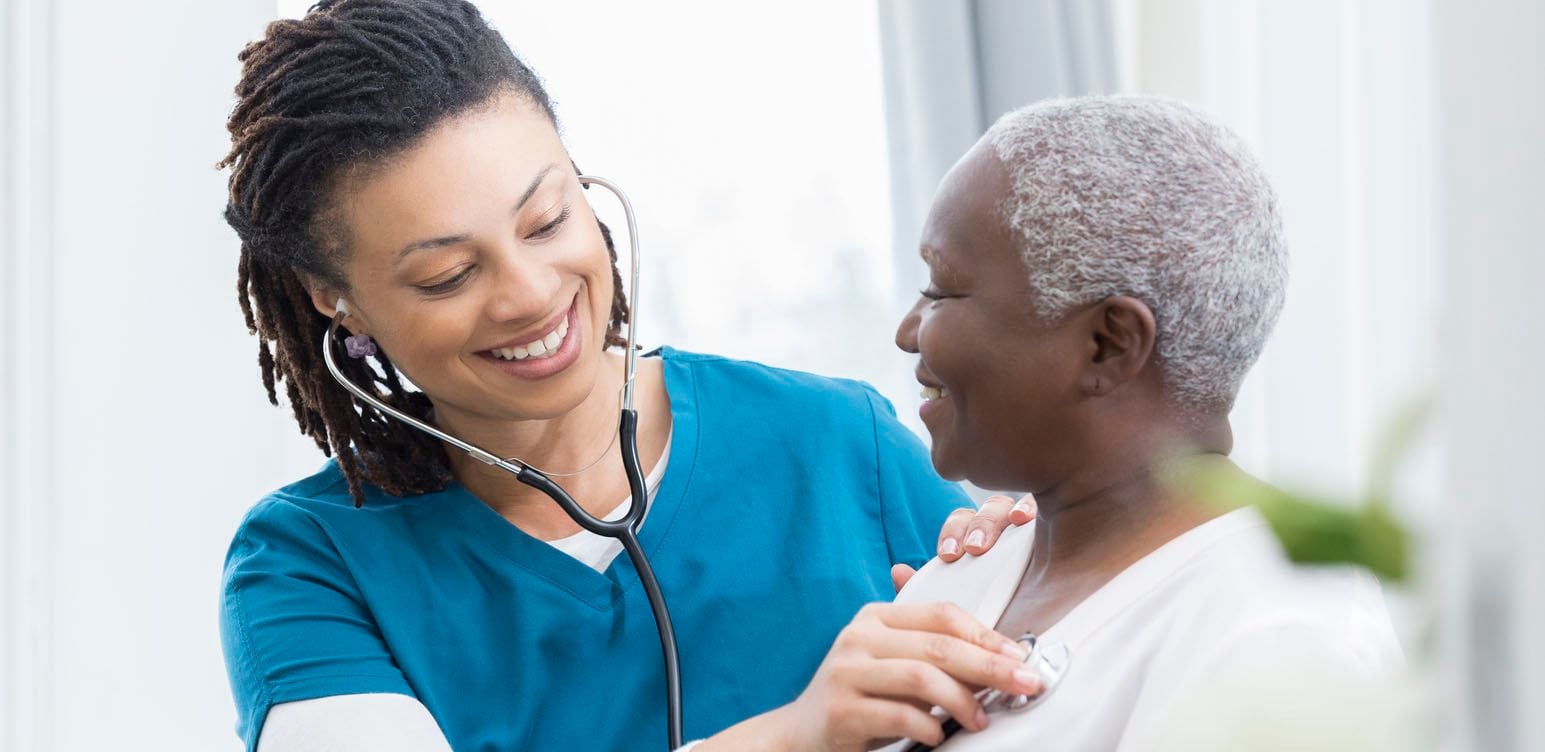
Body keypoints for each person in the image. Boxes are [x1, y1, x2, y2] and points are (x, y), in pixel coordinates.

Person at [217, 2, 1040, 749]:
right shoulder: (309, 564)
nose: (531, 295)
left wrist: (1042, 560)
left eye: (547, 220)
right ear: (338, 301)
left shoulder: (836, 446)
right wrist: (795, 736)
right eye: (447, 275)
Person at [870, 95, 1403, 750]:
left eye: (942, 289)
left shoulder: (1285, 635)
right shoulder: (958, 580)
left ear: (1108, 344)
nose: (906, 332)